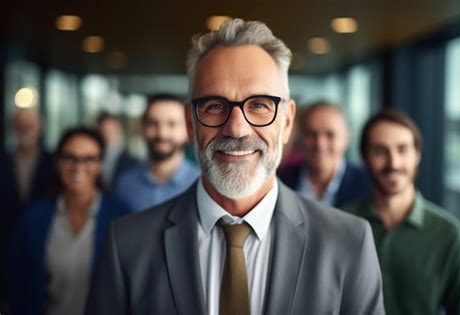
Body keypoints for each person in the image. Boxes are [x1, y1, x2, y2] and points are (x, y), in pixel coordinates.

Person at [86, 19, 384, 315]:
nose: (237, 129)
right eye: (215, 106)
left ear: (287, 122)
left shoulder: (349, 243)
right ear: (190, 124)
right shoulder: (127, 246)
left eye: (259, 105)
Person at [343, 110, 460, 315]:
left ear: (417, 154)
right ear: (364, 158)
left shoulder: (450, 235)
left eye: (402, 150)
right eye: (380, 151)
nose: (393, 163)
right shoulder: (340, 225)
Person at [7, 127, 130, 315]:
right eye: (70, 158)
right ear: (57, 162)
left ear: (100, 165)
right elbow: (16, 281)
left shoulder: (122, 217)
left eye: (89, 159)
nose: (78, 167)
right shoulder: (34, 217)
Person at [0, 108, 56, 313]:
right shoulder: (3, 160)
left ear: (41, 127)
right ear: (13, 127)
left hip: (45, 246)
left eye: (30, 123)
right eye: (20, 123)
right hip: (5, 246)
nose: (25, 128)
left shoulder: (54, 162)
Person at [114, 93, 200, 211]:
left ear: (188, 130)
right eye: (153, 124)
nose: (162, 133)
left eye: (172, 124)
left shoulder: (202, 185)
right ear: (142, 128)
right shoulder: (125, 184)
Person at [278, 102, 372, 207]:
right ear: (300, 138)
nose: (320, 144)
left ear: (346, 138)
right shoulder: (280, 183)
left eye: (330, 135)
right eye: (311, 134)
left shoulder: (368, 186)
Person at [96, 112, 139, 193]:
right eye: (104, 131)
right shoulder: (95, 157)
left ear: (119, 129)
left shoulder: (132, 162)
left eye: (111, 130)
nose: (107, 135)